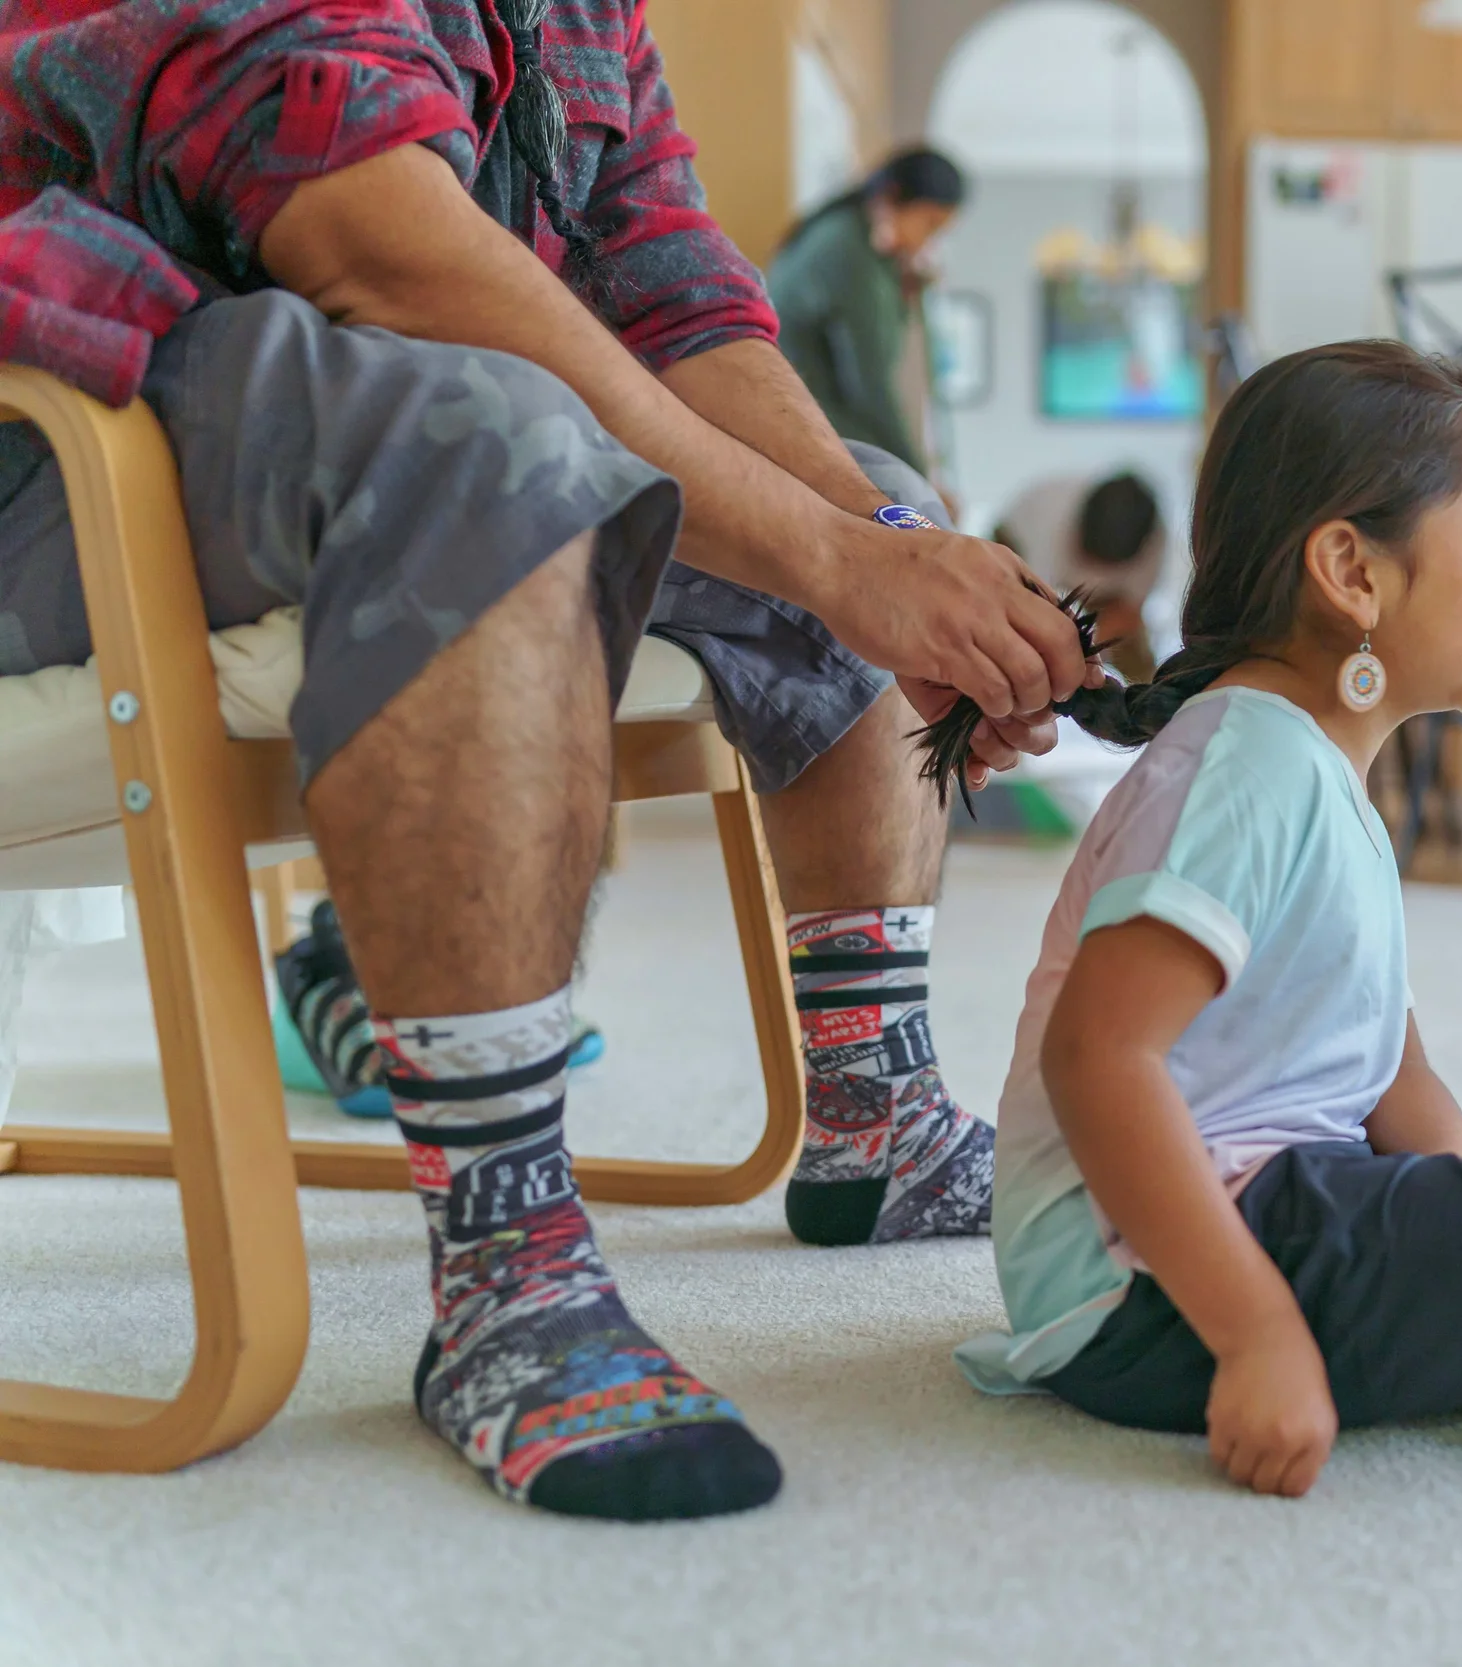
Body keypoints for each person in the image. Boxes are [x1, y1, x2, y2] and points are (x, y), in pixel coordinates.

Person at [0, 0, 1092, 1521]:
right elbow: (383, 252)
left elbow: (682, 304)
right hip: (61, 447)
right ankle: (506, 1264)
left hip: (310, 423)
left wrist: (889, 543)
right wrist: (841, 565)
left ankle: (874, 1114)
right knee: (491, 440)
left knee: (871, 495)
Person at [953, 341, 1462, 1502]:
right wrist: (1257, 1335)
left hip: (1293, 1188)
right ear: (1352, 571)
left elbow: (1388, 1071)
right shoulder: (1247, 767)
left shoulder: (1309, 768)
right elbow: (1099, 1055)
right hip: (1142, 1290)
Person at [770, 147, 966, 480]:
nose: (927, 243)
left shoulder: (856, 244)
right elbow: (870, 385)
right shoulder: (848, 253)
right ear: (893, 197)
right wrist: (919, 478)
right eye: (929, 224)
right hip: (806, 433)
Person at [993, 470, 1168, 684]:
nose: (1095, 572)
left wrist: (1096, 650)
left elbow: (1127, 614)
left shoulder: (1154, 541)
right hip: (1016, 544)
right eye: (1092, 563)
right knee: (1004, 630)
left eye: (1104, 568)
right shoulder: (1049, 520)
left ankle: (1147, 706)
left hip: (1108, 588)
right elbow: (1034, 613)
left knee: (1132, 651)